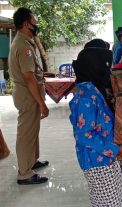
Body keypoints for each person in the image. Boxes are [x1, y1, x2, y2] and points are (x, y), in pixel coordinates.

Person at [69, 47, 122, 206]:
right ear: (96, 69)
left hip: (106, 157)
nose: (108, 73)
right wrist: (117, 150)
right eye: (106, 68)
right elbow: (84, 135)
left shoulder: (93, 91)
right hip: (97, 161)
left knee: (114, 201)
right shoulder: (85, 98)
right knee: (110, 203)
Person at [8, 7, 49, 185]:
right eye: (34, 21)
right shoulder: (23, 45)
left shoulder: (27, 41)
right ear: (26, 24)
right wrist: (42, 103)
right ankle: (24, 173)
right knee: (25, 133)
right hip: (27, 94)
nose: (36, 24)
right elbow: (29, 77)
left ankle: (31, 162)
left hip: (29, 93)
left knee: (32, 131)